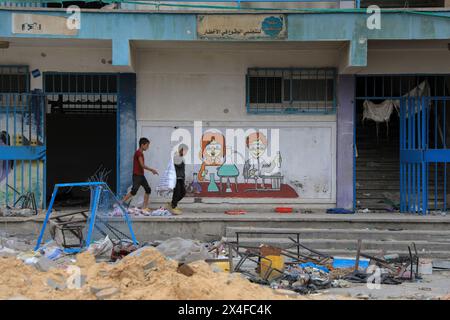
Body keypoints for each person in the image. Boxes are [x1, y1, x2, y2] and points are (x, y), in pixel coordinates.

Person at [122, 137, 158, 210]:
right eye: (147, 145)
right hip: (137, 176)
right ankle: (119, 203)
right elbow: (142, 165)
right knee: (134, 191)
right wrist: (152, 170)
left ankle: (144, 207)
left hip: (141, 176)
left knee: (148, 190)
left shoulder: (140, 153)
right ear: (142, 145)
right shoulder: (138, 153)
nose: (147, 147)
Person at [167, 144, 188, 215]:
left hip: (181, 178)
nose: (185, 152)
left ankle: (172, 204)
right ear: (181, 150)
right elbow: (177, 164)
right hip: (176, 179)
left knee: (183, 193)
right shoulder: (176, 157)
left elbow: (183, 169)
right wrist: (178, 155)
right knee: (177, 193)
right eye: (184, 151)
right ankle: (173, 206)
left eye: (186, 151)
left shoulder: (181, 158)